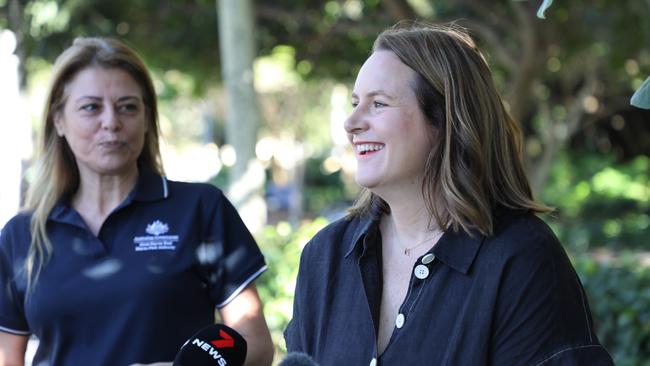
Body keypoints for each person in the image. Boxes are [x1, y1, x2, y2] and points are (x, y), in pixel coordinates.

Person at [284, 22, 614, 365]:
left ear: (445, 120)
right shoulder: (325, 257)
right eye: (355, 103)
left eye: (378, 104)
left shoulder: (521, 260)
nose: (351, 123)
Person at [0, 37, 274, 366]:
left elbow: (255, 345)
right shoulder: (23, 235)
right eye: (91, 107)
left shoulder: (200, 208)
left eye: (128, 106)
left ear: (147, 119)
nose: (111, 122)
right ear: (58, 120)